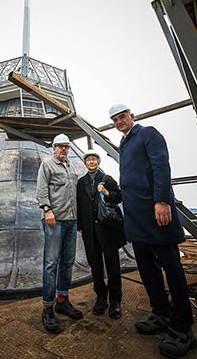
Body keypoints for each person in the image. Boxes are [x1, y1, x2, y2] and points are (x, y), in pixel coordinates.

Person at [109, 103, 195, 358]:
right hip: (135, 218)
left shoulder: (147, 133)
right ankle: (161, 313)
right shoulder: (124, 144)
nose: (119, 121)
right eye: (114, 119)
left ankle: (182, 326)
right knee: (146, 269)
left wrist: (162, 201)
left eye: (122, 116)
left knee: (172, 267)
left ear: (132, 116)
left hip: (155, 212)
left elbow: (161, 166)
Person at [36, 133, 83, 334]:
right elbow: (41, 189)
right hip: (55, 221)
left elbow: (76, 195)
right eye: (60, 146)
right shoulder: (47, 165)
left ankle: (62, 300)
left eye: (66, 146)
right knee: (51, 264)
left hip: (72, 221)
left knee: (68, 262)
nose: (64, 149)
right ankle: (48, 307)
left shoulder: (72, 167)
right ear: (53, 148)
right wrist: (47, 209)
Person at [77, 150, 126, 320]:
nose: (91, 162)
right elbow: (80, 205)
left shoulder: (108, 179)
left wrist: (106, 193)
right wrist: (81, 226)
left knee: (112, 264)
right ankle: (100, 297)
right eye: (89, 160)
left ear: (98, 162)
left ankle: (115, 300)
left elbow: (118, 197)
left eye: (94, 159)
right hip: (90, 231)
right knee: (95, 264)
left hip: (106, 229)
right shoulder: (81, 182)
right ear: (85, 163)